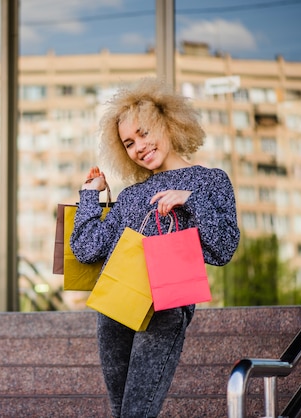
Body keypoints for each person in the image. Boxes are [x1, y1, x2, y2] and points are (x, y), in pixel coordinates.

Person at [70, 77, 240, 417]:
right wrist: (91, 194)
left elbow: (223, 248)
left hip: (166, 305)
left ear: (169, 123)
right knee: (123, 412)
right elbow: (87, 249)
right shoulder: (131, 196)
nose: (139, 147)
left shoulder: (210, 180)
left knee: (137, 411)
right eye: (129, 142)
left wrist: (191, 201)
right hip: (116, 307)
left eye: (144, 133)